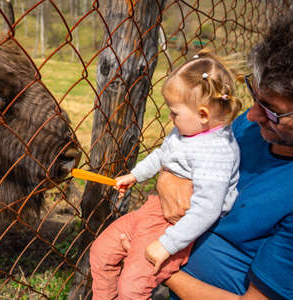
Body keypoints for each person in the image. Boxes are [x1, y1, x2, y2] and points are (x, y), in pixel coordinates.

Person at [121, 14, 293, 299]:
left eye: (272, 110)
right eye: (255, 96)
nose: (251, 115)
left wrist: (162, 270)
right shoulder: (251, 130)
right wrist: (166, 178)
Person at [89, 51, 243, 299]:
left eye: (174, 112)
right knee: (101, 252)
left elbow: (206, 209)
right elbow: (163, 154)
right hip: (153, 209)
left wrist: (167, 245)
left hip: (175, 226)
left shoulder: (216, 153)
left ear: (203, 114)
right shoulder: (186, 132)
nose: (169, 118)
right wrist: (135, 175)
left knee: (132, 288)